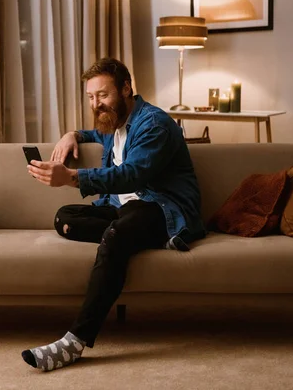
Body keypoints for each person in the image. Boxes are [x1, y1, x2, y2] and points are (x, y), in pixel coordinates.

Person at [21, 57, 206, 371]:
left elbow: (132, 175)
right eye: (91, 98)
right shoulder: (112, 121)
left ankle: (75, 342)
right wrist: (72, 134)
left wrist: (71, 177)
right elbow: (94, 134)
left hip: (162, 208)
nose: (97, 104)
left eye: (103, 95)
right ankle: (146, 239)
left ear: (126, 89)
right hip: (125, 210)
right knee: (64, 218)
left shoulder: (154, 124)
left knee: (118, 233)